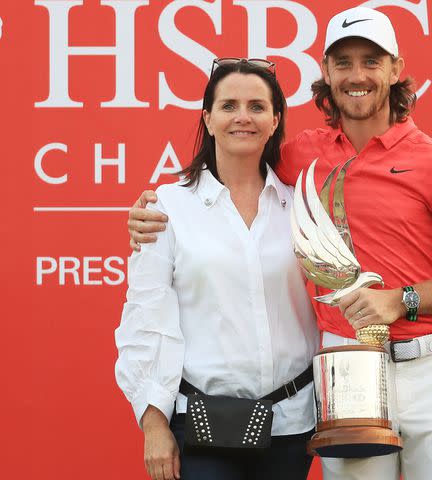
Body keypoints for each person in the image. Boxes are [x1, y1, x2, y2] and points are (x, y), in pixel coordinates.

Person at [126, 6, 432, 480]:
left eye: (371, 60)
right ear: (325, 72)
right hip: (346, 371)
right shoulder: (299, 158)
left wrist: (410, 303)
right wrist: (154, 209)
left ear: (396, 69)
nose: (357, 75)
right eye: (343, 63)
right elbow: (233, 171)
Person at [115, 58, 320, 480]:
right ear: (208, 119)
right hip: (200, 425)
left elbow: (353, 286)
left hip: (292, 425)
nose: (242, 117)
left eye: (257, 106)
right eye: (228, 106)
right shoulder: (166, 208)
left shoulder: (303, 206)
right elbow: (145, 320)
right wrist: (153, 424)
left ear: (275, 119)